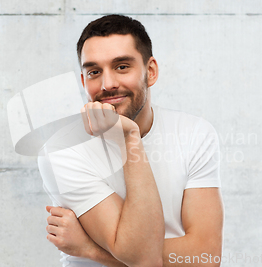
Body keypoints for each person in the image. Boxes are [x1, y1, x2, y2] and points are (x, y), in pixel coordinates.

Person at [38, 14, 224, 267]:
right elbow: (143, 257)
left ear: (150, 72)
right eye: (94, 72)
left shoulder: (195, 133)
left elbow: (205, 256)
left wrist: (90, 249)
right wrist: (129, 137)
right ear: (83, 81)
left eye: (122, 66)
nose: (108, 84)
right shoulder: (62, 150)